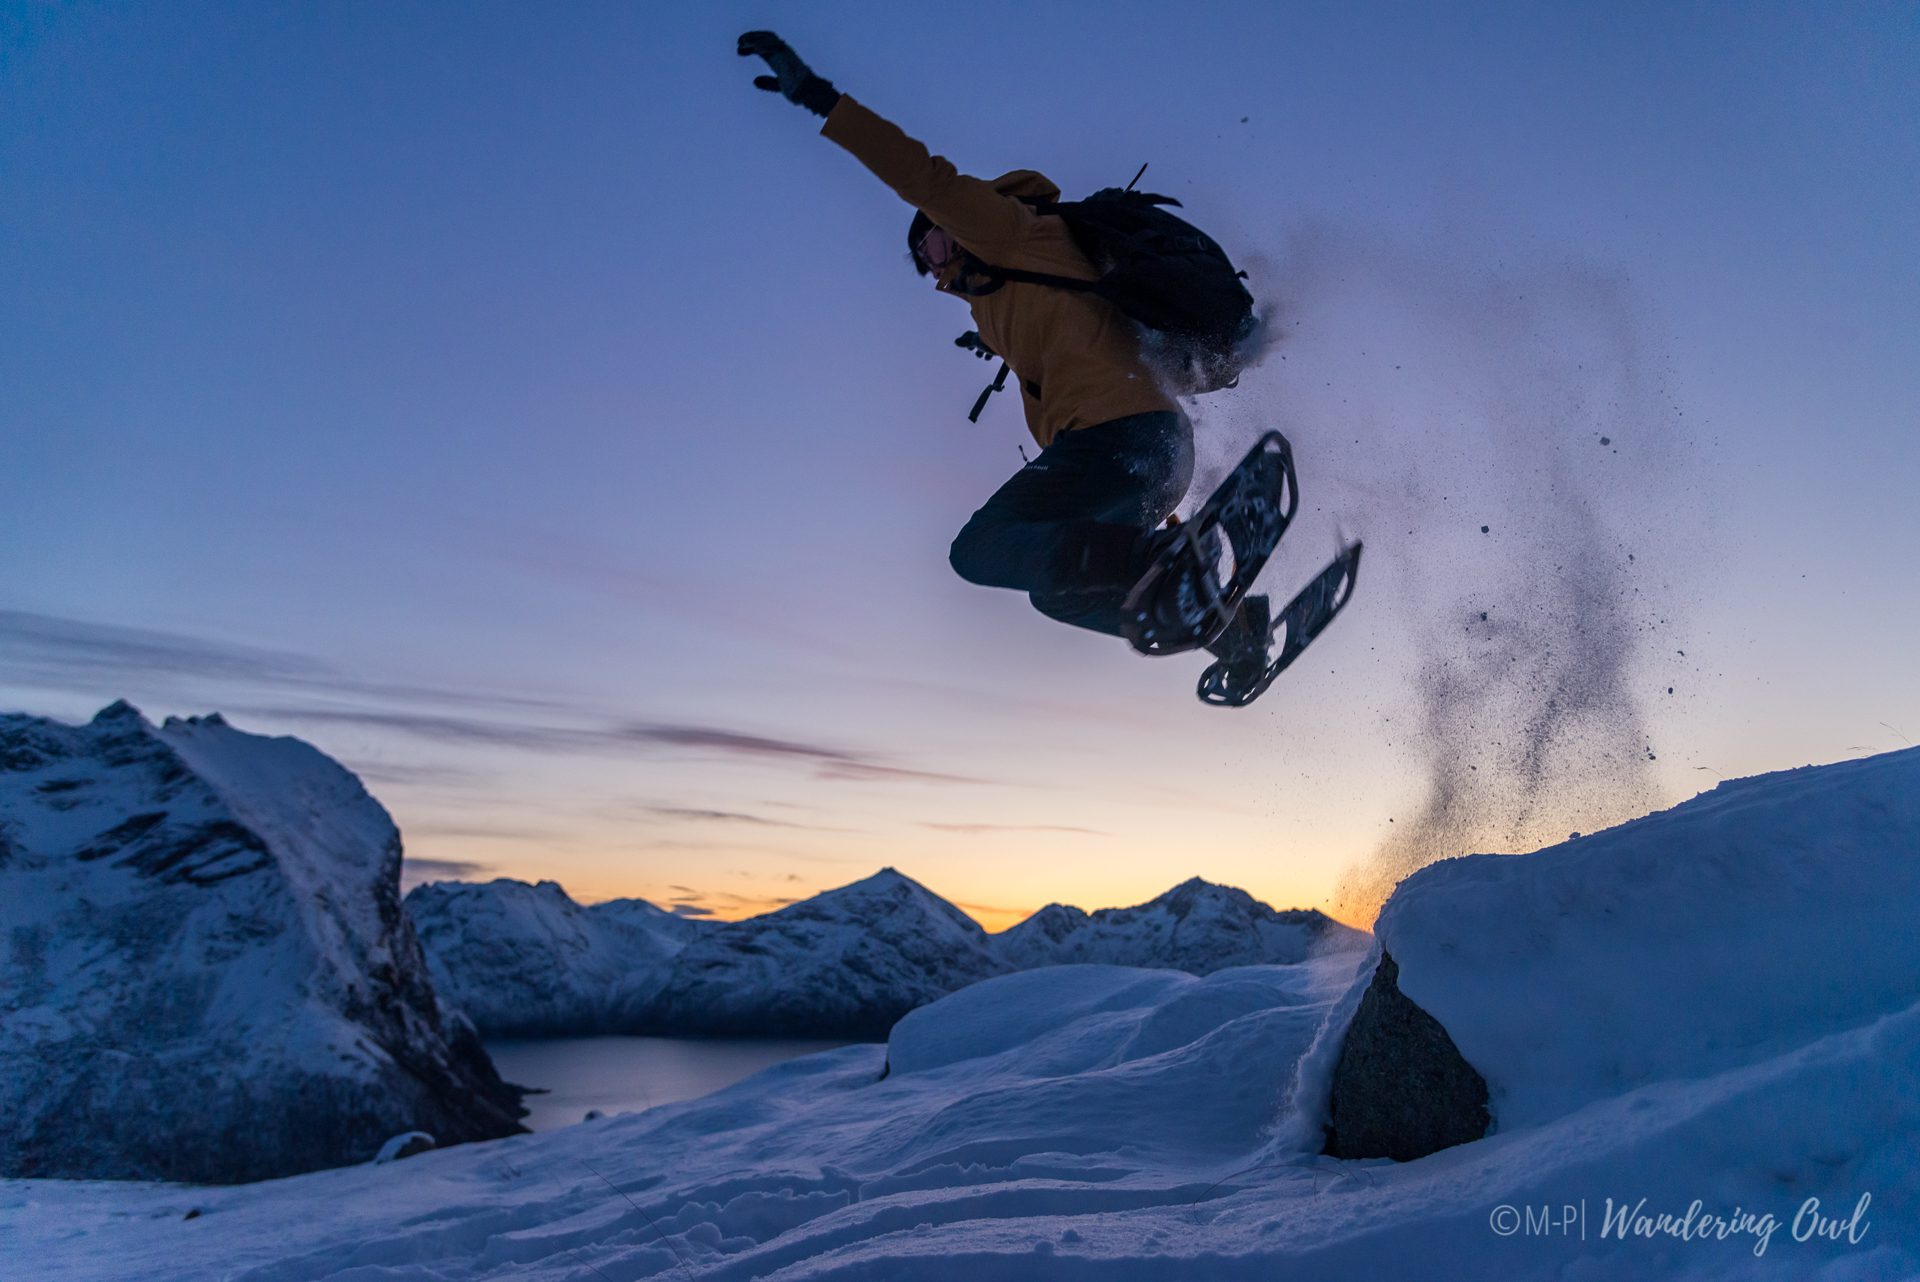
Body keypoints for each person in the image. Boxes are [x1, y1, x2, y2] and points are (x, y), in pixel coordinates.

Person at [737, 31, 1268, 678]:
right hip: (1157, 460)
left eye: (930, 248)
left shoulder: (1009, 232)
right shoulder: (1005, 298)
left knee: (981, 549)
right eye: (922, 266)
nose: (933, 271)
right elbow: (1056, 333)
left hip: (1118, 439)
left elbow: (919, 175)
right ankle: (1229, 628)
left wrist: (821, 100)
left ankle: (1166, 563)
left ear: (950, 229)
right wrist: (986, 340)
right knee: (1057, 591)